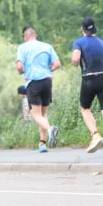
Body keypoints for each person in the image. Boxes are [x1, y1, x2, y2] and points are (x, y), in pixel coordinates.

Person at [72, 17, 103, 157]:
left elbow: (76, 59)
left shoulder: (78, 42)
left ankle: (95, 135)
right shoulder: (102, 43)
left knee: (85, 109)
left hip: (88, 79)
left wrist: (75, 62)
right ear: (94, 29)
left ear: (82, 29)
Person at [16, 25, 61, 153]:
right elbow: (57, 64)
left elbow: (19, 67)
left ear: (26, 36)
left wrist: (23, 71)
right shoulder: (47, 46)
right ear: (35, 35)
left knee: (35, 114)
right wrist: (47, 70)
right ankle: (42, 144)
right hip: (47, 81)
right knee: (44, 114)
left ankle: (51, 129)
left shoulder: (22, 48)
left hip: (33, 82)